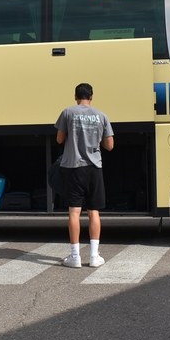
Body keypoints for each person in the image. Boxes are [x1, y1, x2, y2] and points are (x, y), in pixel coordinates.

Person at [55, 83, 114, 268]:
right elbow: (110, 145)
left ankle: (75, 257)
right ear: (92, 97)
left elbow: (59, 139)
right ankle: (95, 257)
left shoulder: (68, 113)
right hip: (94, 168)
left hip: (73, 167)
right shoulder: (101, 115)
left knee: (74, 211)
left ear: (75, 96)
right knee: (93, 212)